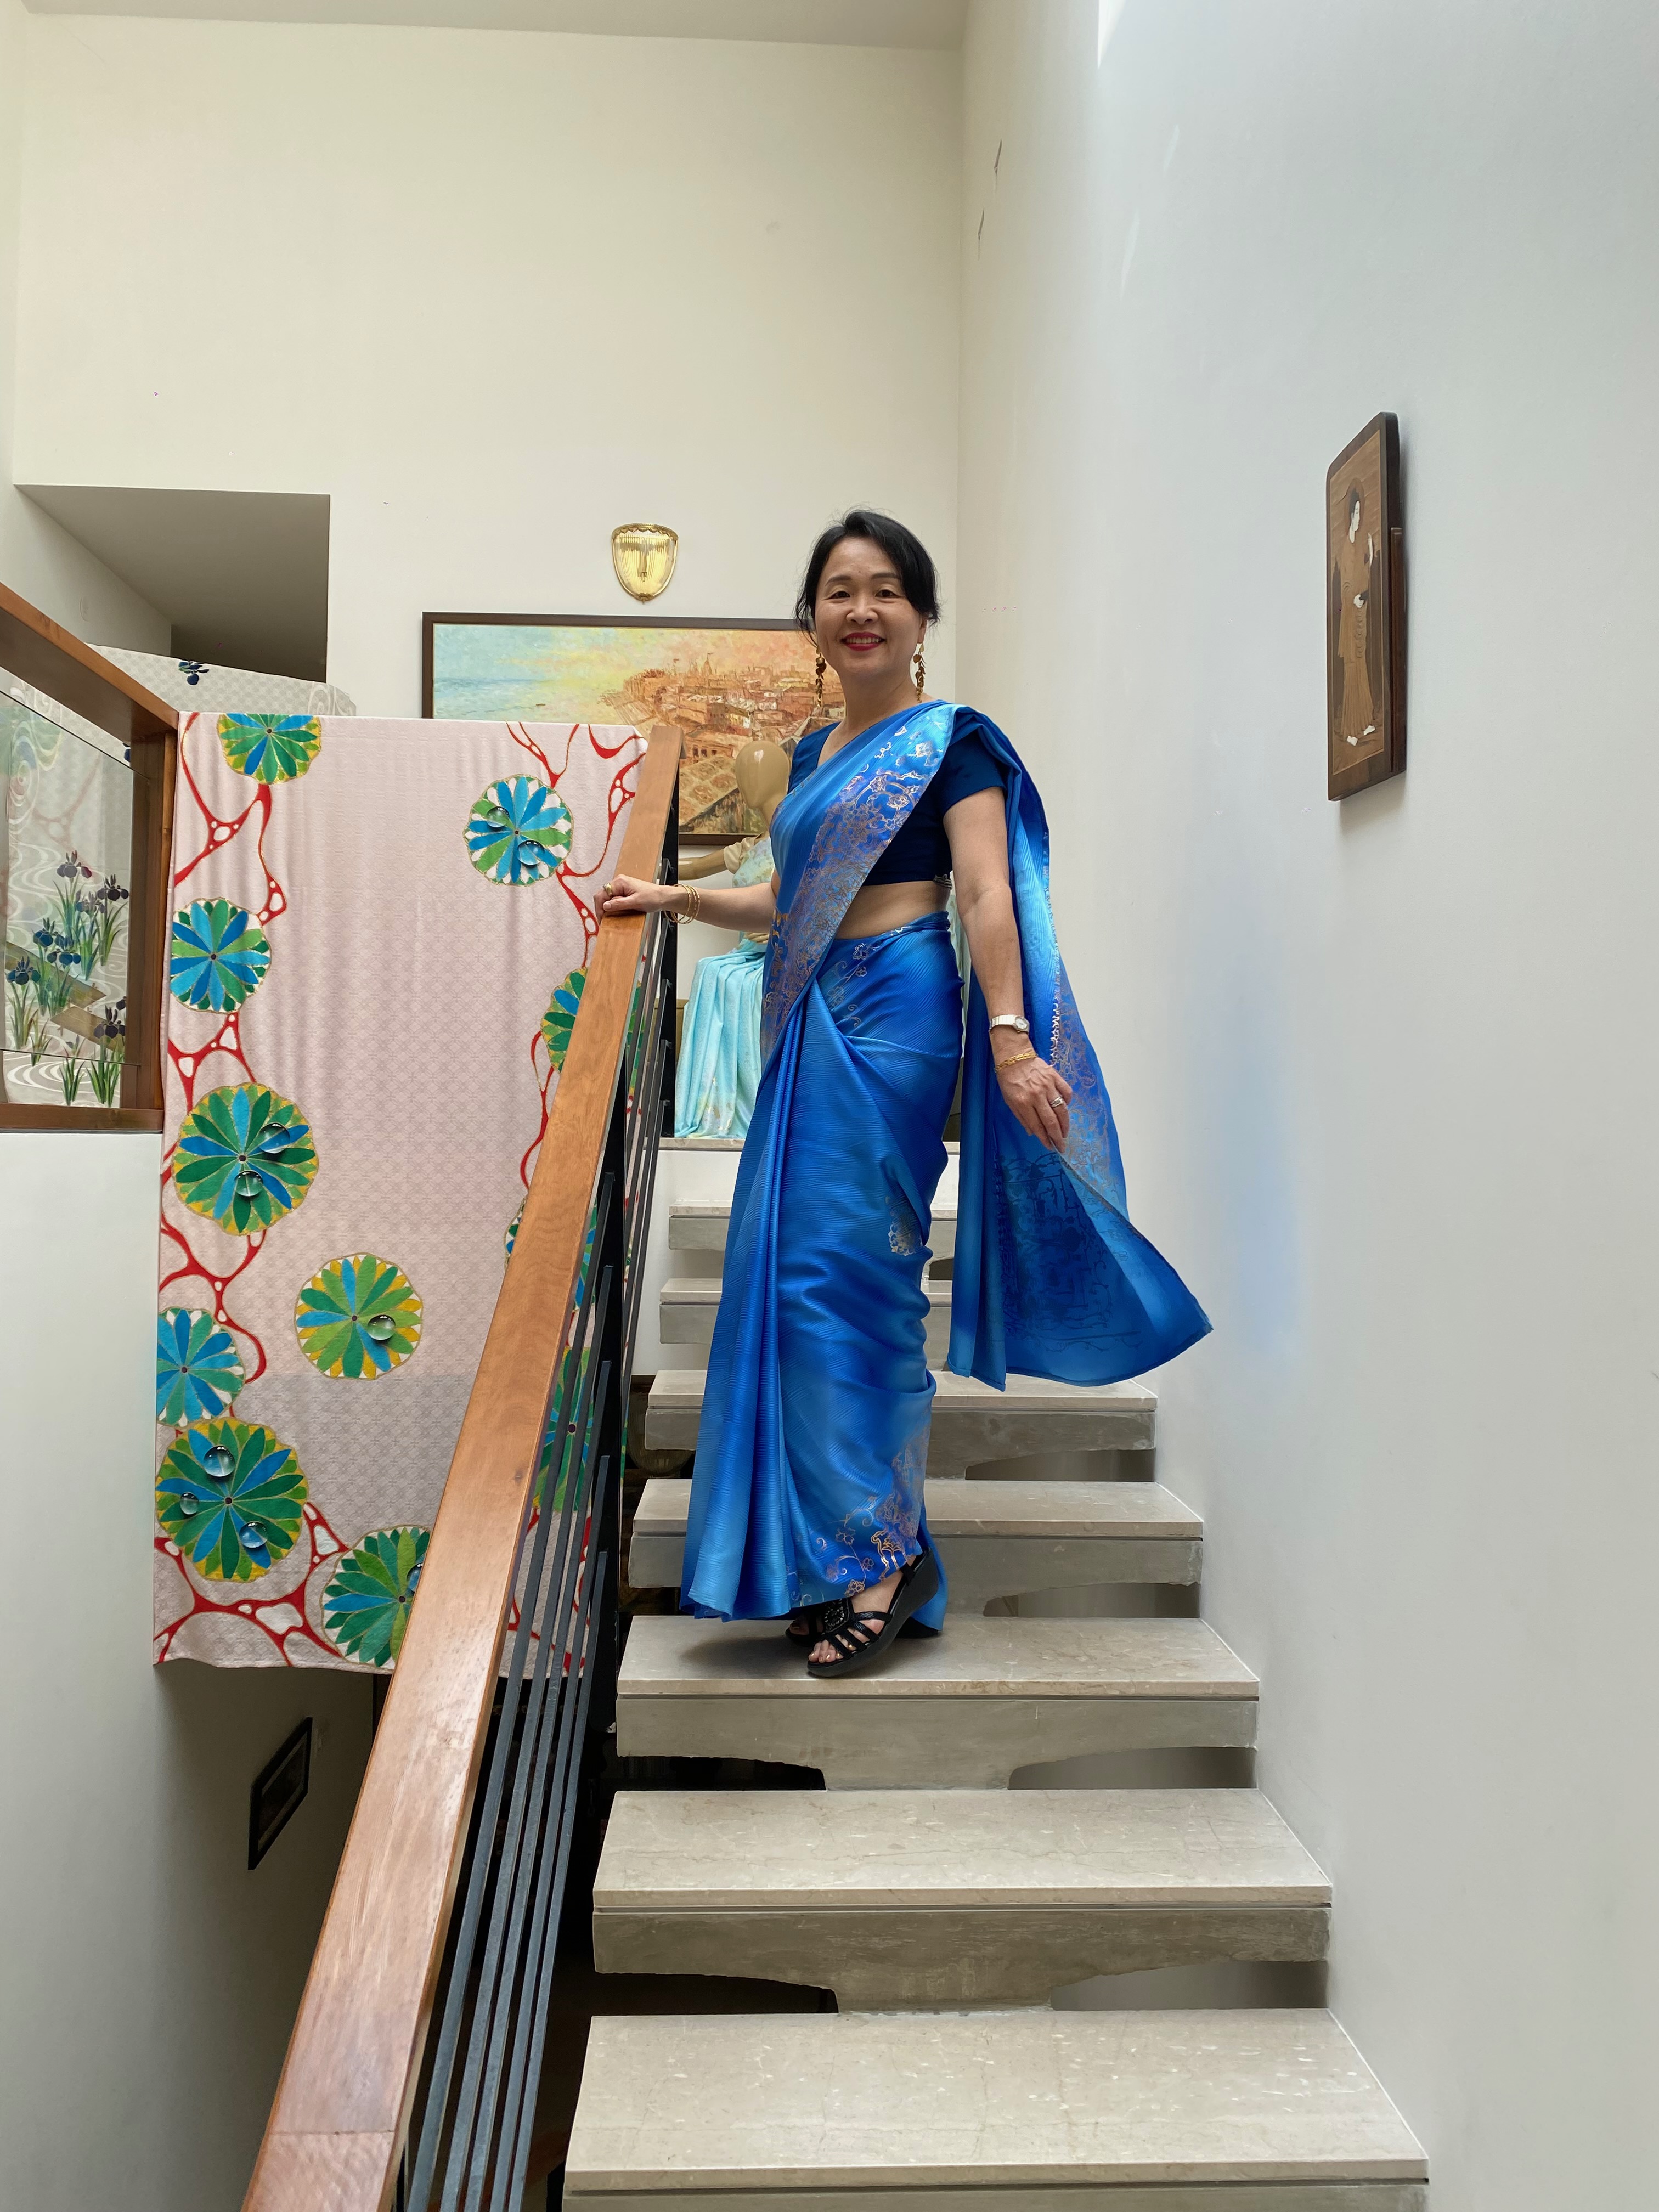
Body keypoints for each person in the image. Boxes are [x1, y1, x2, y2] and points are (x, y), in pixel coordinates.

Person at [597, 511, 1209, 1675]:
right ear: (814, 619)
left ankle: (882, 1554)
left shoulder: (953, 743)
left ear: (922, 617)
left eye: (886, 589)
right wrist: (679, 901)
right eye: (839, 590)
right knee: (793, 1280)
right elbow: (790, 900)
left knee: (858, 1279)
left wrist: (1014, 1041)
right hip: (812, 1007)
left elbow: (984, 895)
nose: (862, 609)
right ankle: (838, 1549)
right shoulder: (815, 758)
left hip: (899, 1012)